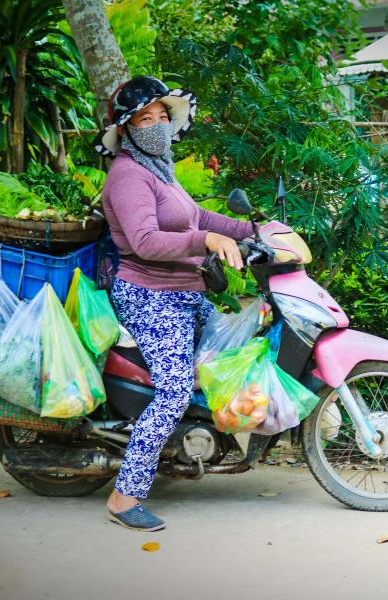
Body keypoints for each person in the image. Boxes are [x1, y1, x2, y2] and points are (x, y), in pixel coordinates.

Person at [96, 76, 254, 532]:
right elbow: (145, 241)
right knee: (175, 390)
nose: (157, 125)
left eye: (163, 117)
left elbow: (198, 216)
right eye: (146, 119)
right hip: (150, 294)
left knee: (234, 346)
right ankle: (125, 497)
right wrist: (206, 240)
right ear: (125, 130)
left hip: (185, 290)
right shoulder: (127, 175)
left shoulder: (159, 168)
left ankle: (194, 444)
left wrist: (255, 230)